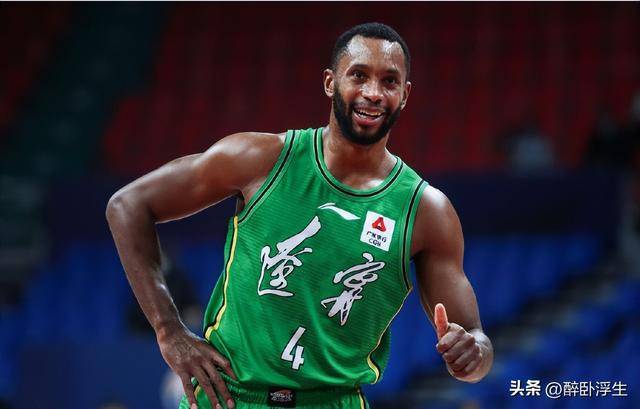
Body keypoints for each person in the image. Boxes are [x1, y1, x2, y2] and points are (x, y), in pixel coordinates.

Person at [106, 22, 493, 409]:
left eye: (389, 81)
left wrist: (473, 354)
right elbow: (127, 205)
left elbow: (476, 341)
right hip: (228, 396)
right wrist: (168, 331)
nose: (373, 93)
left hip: (332, 401)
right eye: (359, 75)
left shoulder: (426, 210)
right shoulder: (259, 159)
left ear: (404, 95)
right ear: (330, 83)